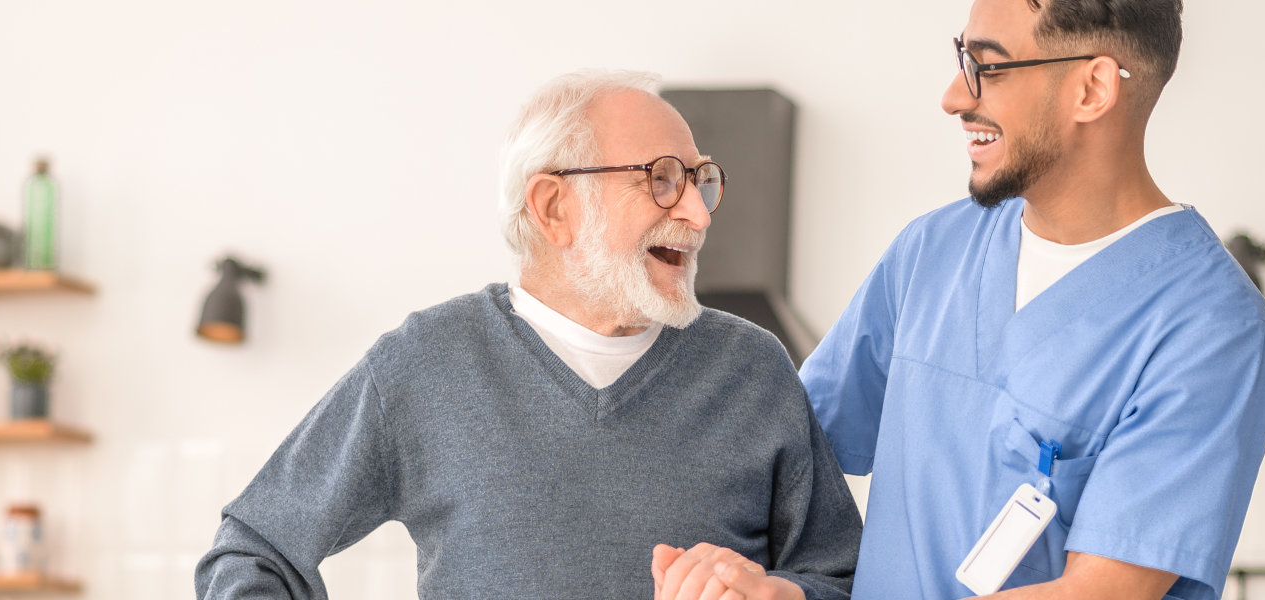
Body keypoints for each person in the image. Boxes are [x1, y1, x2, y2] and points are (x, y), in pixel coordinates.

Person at [660, 1, 1265, 599]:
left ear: (1092, 89)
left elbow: (1097, 593)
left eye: (989, 66)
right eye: (965, 60)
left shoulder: (1213, 330)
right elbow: (787, 456)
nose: (955, 97)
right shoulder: (932, 251)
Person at [194, 69, 861, 600]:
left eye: (700, 181)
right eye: (661, 180)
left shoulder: (752, 368)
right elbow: (255, 547)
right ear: (553, 207)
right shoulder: (426, 362)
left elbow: (849, 577)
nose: (695, 212)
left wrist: (777, 595)